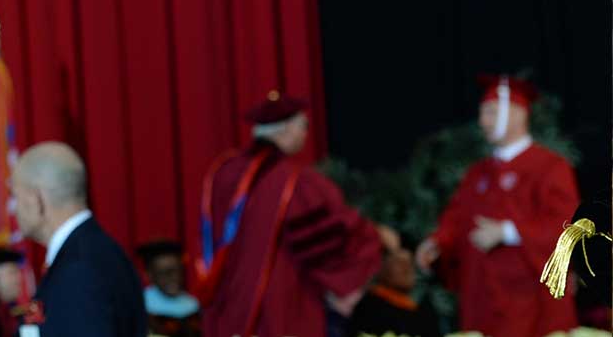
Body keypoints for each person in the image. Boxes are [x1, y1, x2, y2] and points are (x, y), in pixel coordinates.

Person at [196, 92, 396, 337]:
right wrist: (376, 236)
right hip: (280, 303)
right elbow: (328, 239)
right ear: (287, 130)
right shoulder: (296, 182)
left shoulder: (222, 173)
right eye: (304, 126)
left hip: (228, 302)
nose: (305, 134)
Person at [416, 76, 578, 337]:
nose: (483, 121)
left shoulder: (550, 167)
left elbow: (566, 225)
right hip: (482, 299)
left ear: (518, 114)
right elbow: (456, 218)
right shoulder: (477, 173)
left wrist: (509, 232)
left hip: (529, 302)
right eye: (483, 113)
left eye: (491, 112)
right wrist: (438, 243)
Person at [7, 141, 146, 336]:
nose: (13, 209)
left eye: (15, 197)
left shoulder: (79, 269)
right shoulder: (99, 252)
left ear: (37, 200)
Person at [348, 234, 440, 337]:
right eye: (400, 263)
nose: (407, 269)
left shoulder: (424, 310)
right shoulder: (368, 307)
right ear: (382, 267)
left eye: (410, 264)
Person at [135, 240, 199, 337]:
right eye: (163, 273)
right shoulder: (142, 306)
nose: (172, 278)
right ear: (149, 275)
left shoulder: (193, 304)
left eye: (176, 271)